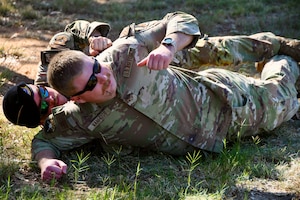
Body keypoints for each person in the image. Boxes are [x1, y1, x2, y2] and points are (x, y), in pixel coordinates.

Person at [3, 11, 300, 181]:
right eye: (44, 107)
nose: (50, 98)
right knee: (282, 101)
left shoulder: (116, 56)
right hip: (211, 134)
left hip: (216, 98)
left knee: (217, 53)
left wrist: (166, 47)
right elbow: (45, 142)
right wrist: (45, 163)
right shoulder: (76, 119)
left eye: (43, 93)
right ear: (77, 99)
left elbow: (178, 18)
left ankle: (277, 49)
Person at [35, 19, 112, 86]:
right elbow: (58, 72)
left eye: (99, 36)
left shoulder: (91, 51)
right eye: (92, 36)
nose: (97, 39)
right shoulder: (64, 40)